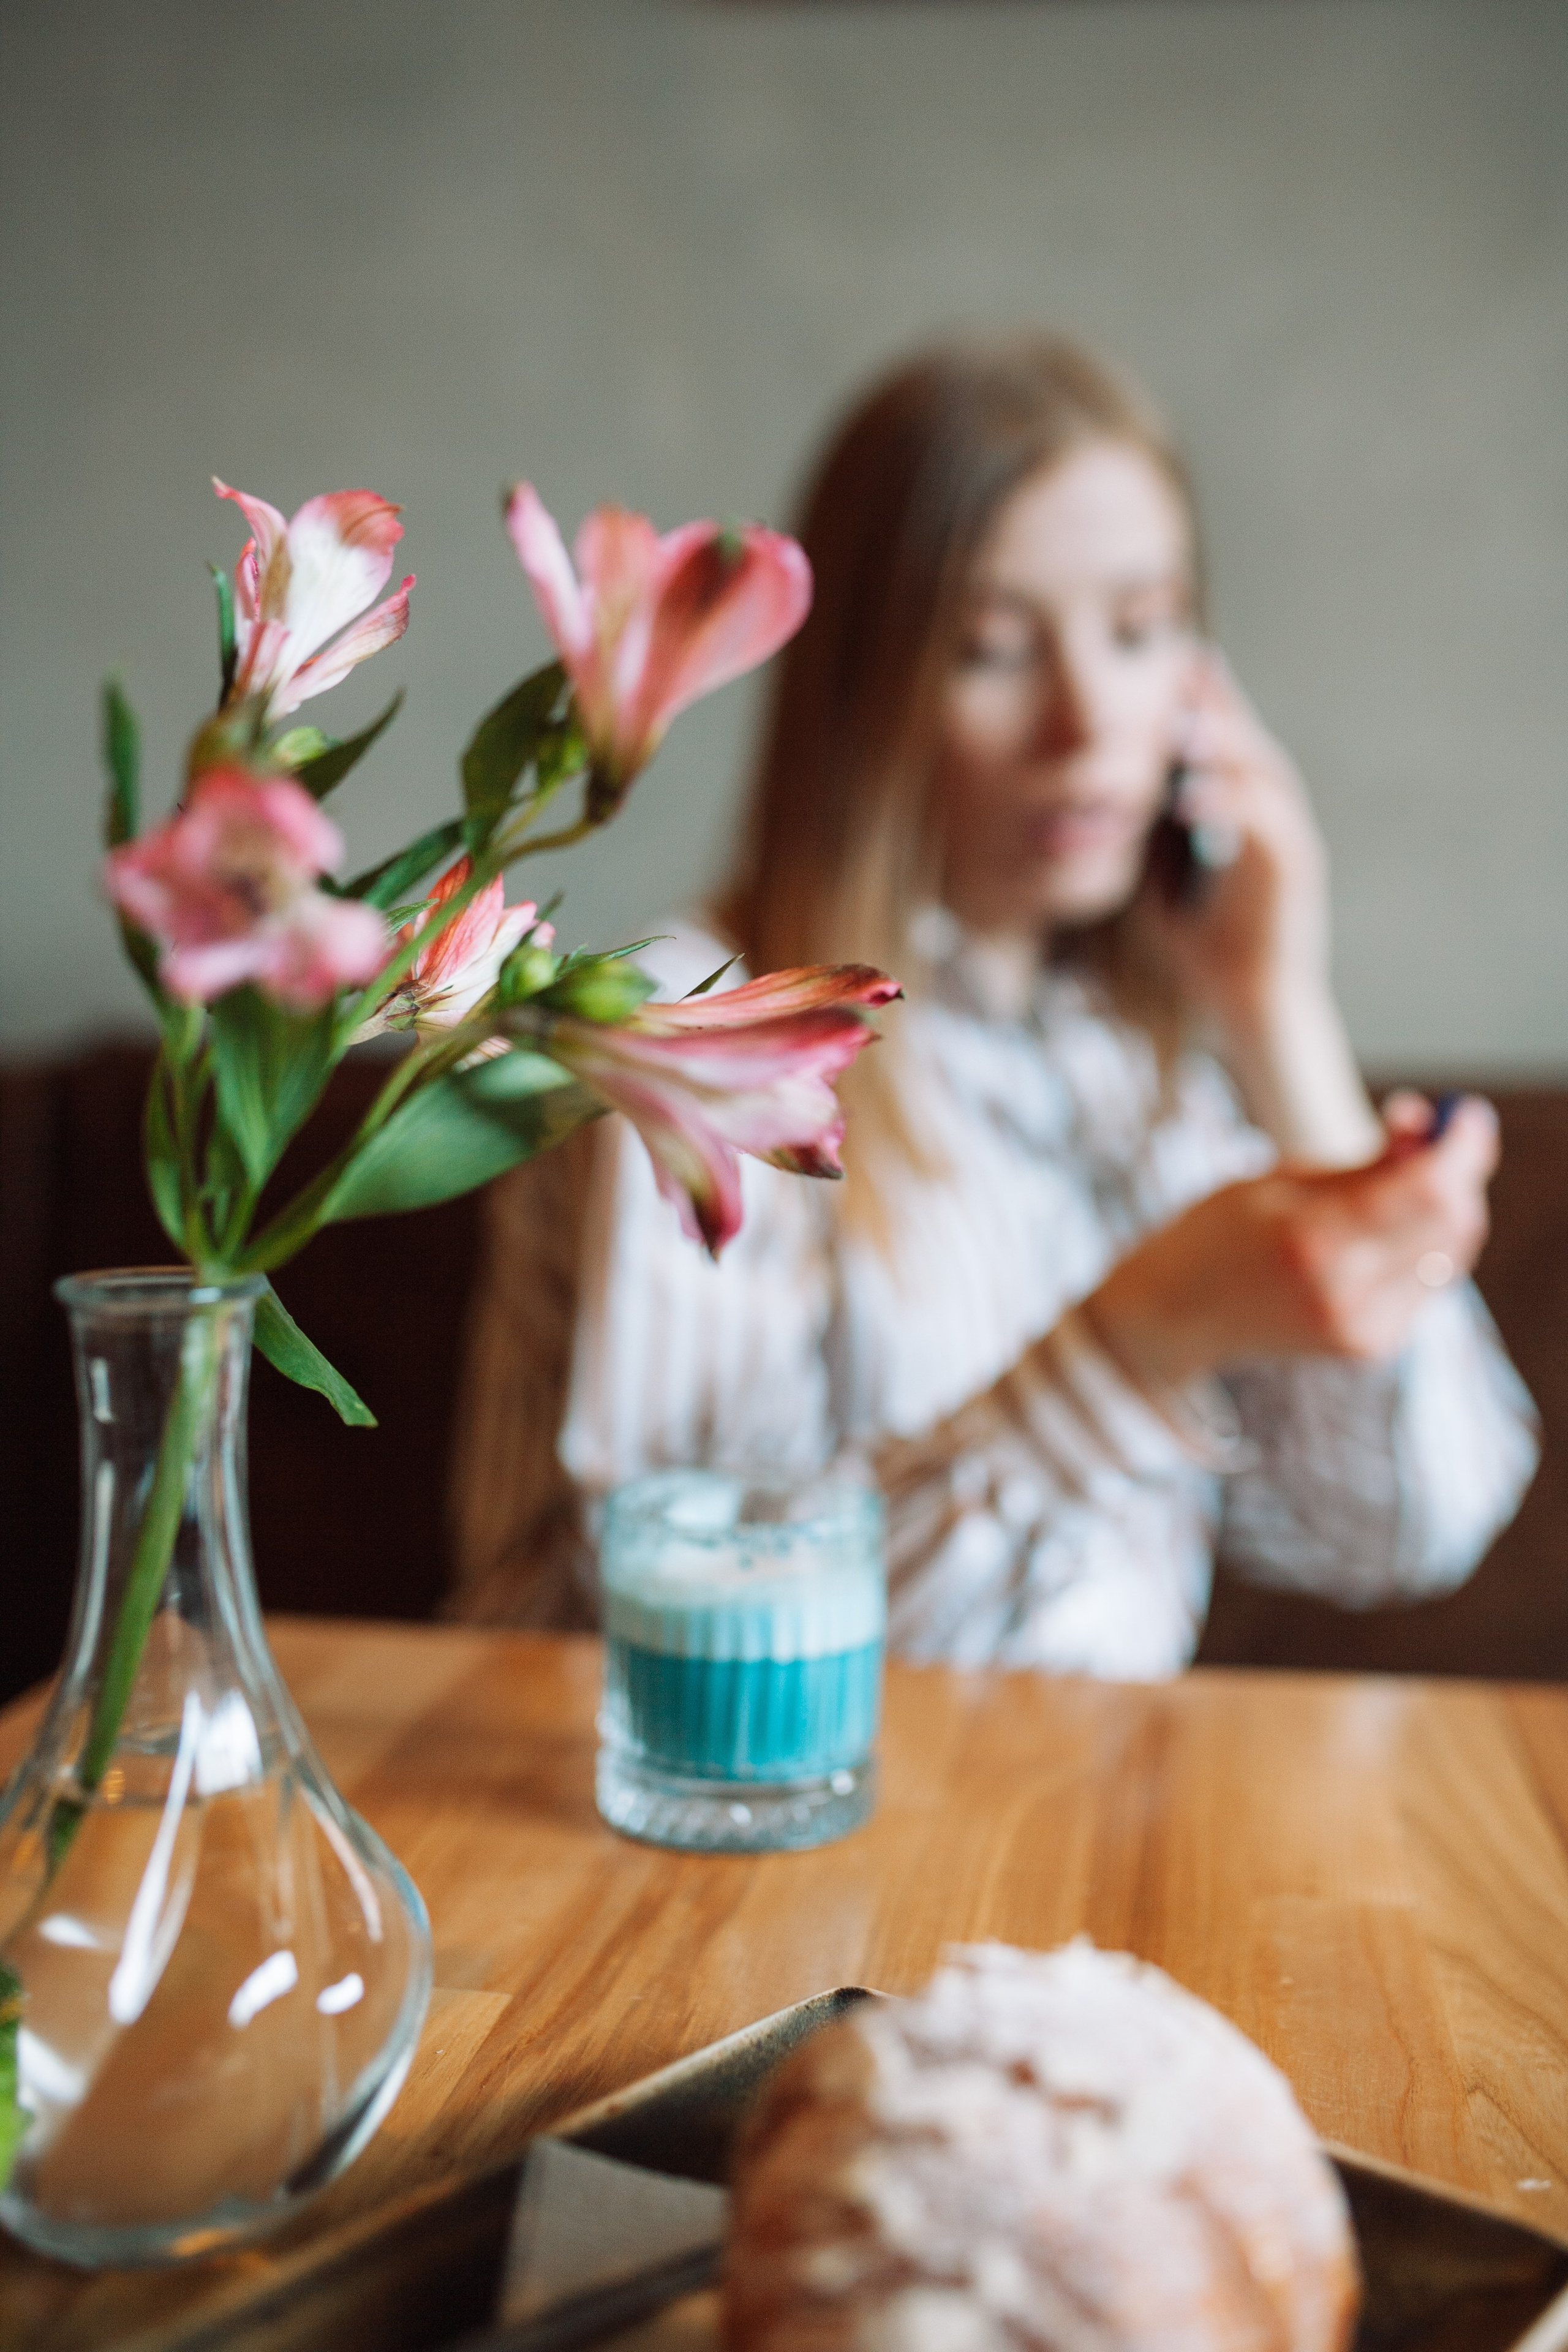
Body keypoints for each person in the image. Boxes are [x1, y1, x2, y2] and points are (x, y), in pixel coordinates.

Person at [454, 336, 1537, 1675]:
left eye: (1140, 631)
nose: (1087, 721)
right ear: (867, 693)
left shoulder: (1127, 1070)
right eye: (992, 648)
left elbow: (1406, 1526)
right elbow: (687, 1656)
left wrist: (1278, 1020)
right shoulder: (694, 1036)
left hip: (1076, 1837)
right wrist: (1130, 1346)